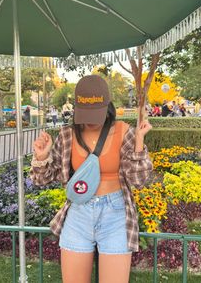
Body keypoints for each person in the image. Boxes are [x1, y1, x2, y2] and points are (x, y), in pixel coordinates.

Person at [30, 75, 153, 283]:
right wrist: (41, 158)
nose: (90, 120)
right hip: (79, 214)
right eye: (85, 113)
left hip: (115, 215)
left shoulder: (125, 132)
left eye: (95, 113)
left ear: (107, 107)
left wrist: (139, 144)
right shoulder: (67, 135)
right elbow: (42, 179)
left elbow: (139, 180)